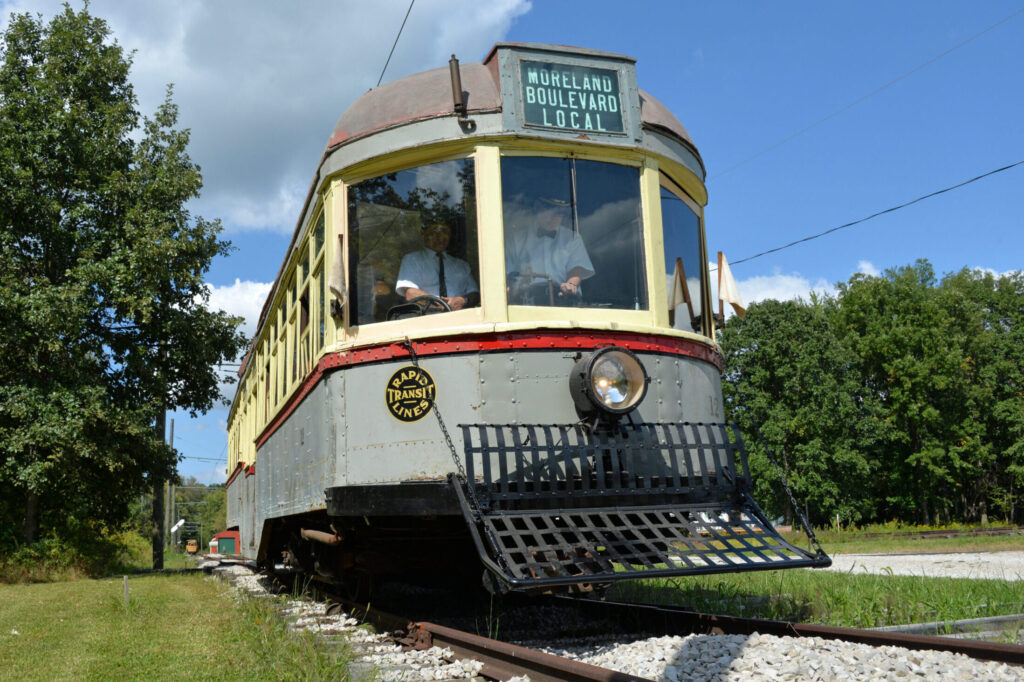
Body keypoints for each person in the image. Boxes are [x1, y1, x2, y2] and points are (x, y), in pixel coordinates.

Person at [505, 196, 594, 303]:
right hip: (527, 302)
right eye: (552, 212)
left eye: (559, 213)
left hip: (564, 301)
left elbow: (577, 268)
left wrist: (571, 285)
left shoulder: (572, 238)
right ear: (537, 208)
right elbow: (507, 274)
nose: (555, 218)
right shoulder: (515, 240)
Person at [396, 221, 479, 310]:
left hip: (461, 316)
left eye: (445, 232)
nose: (440, 237)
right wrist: (442, 306)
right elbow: (411, 293)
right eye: (433, 232)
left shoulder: (461, 265)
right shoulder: (412, 259)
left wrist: (463, 300)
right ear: (424, 234)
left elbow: (475, 294)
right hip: (427, 317)